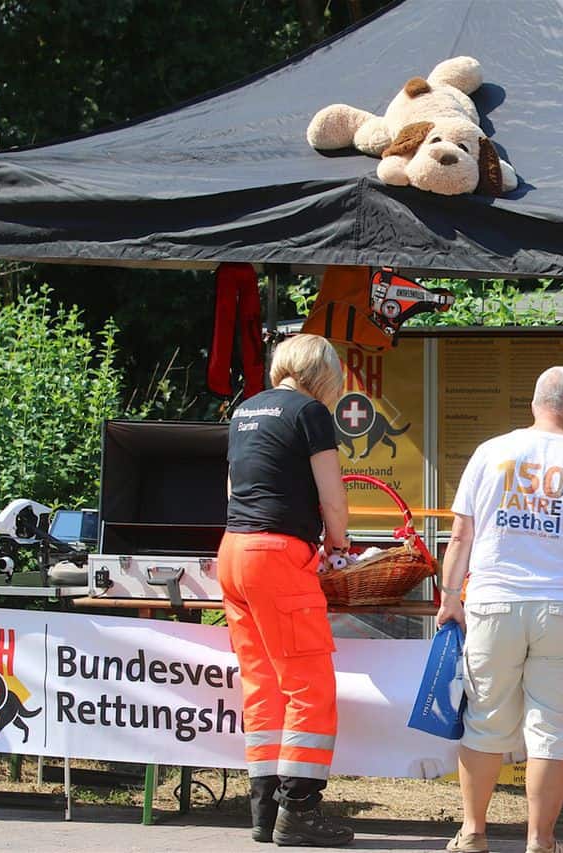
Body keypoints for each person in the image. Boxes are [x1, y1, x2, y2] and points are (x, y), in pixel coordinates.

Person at [437, 365, 563, 853]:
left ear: (534, 404)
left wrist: (450, 598)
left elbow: (461, 534)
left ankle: (473, 833)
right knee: (552, 727)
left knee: (484, 719)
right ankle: (540, 841)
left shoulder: (491, 452)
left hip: (493, 603)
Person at [218, 334, 355, 847]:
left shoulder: (244, 411)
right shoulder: (310, 412)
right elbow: (332, 496)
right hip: (277, 556)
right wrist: (339, 542)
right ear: (323, 374)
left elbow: (233, 490)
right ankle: (299, 810)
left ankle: (263, 811)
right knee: (309, 683)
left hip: (233, 550)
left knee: (262, 685)